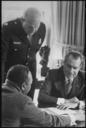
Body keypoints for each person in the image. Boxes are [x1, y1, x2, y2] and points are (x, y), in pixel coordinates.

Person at [1, 64, 76, 127]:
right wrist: (69, 118)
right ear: (23, 86)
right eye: (30, 84)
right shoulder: (22, 101)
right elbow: (49, 121)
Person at [1, 7, 46, 99]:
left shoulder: (42, 28)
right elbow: (2, 58)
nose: (33, 30)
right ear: (22, 20)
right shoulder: (8, 28)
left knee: (28, 101)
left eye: (36, 26)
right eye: (30, 26)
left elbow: (34, 49)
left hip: (30, 71)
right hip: (12, 73)